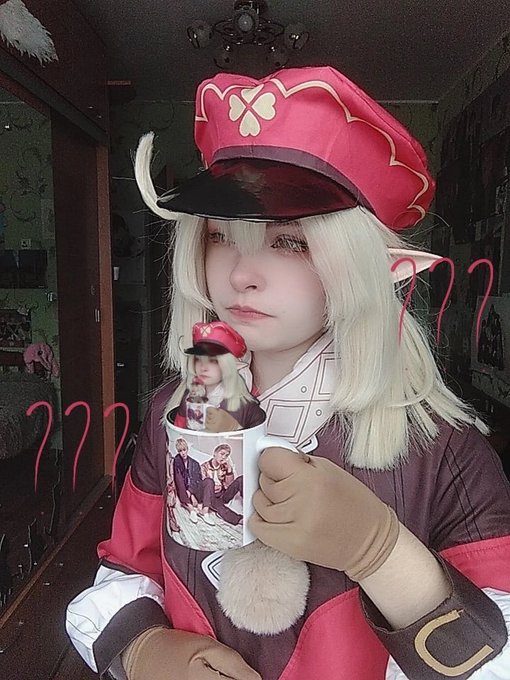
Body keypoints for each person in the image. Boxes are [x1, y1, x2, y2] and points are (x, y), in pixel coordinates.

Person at [66, 65, 510, 680]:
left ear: (360, 263)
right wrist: (144, 651)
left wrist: (380, 553)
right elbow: (122, 571)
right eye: (220, 236)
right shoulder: (173, 414)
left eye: (290, 242)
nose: (240, 274)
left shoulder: (443, 448)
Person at [173, 320, 266, 432]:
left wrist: (234, 427)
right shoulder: (189, 395)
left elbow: (257, 434)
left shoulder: (244, 403)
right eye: (198, 359)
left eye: (213, 361)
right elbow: (178, 430)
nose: (203, 367)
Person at [199, 443, 243, 526]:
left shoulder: (224, 467)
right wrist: (213, 487)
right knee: (219, 505)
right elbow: (203, 485)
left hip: (222, 494)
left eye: (226, 456)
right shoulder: (204, 467)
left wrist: (229, 470)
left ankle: (248, 503)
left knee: (241, 479)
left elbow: (229, 485)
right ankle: (238, 519)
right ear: (215, 453)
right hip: (211, 495)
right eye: (222, 454)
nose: (223, 457)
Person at [172, 437, 202, 523]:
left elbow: (197, 479)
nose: (183, 453)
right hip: (182, 488)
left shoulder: (195, 463)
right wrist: (186, 491)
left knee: (200, 481)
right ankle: (191, 509)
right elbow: (178, 480)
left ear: (187, 449)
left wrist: (191, 492)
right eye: (180, 451)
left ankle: (196, 507)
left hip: (193, 489)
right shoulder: (176, 461)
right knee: (179, 478)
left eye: (184, 450)